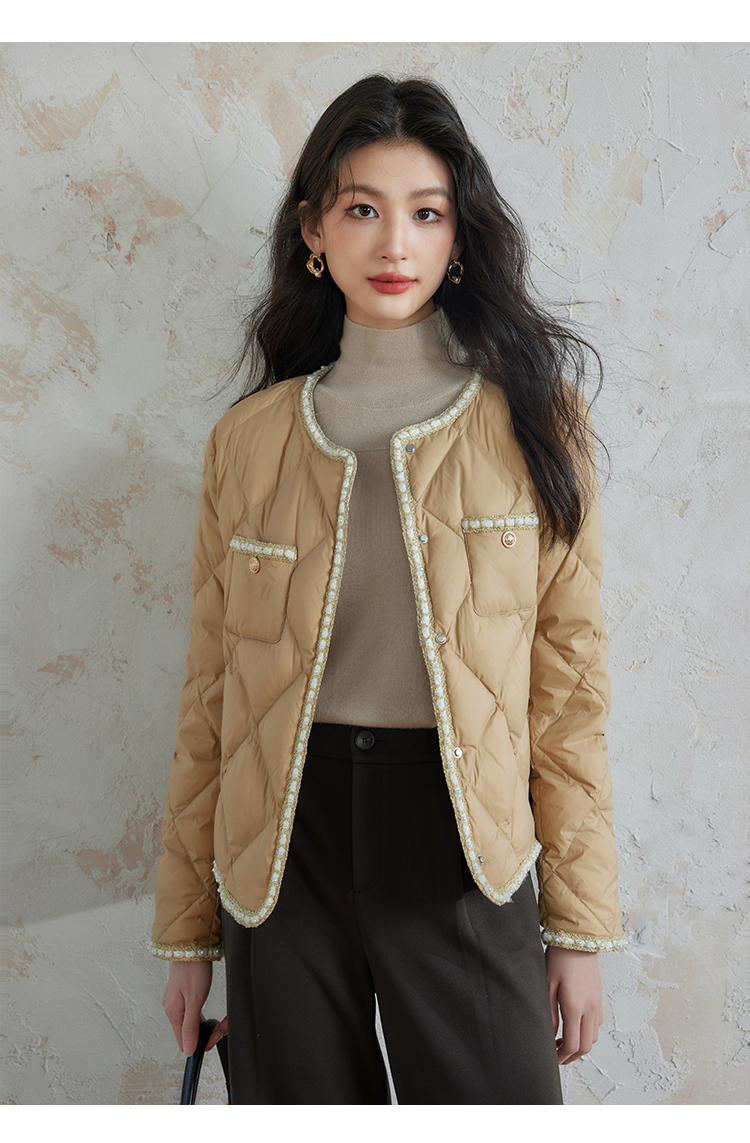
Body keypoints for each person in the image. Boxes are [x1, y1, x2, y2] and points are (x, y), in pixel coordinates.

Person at [151, 73, 626, 1105]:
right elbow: (211, 696)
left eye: (427, 213)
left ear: (461, 236)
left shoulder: (535, 423)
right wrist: (188, 937)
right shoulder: (250, 439)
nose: (395, 244)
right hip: (282, 849)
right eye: (363, 210)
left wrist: (578, 930)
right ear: (314, 232)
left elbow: (569, 691)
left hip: (463, 841)